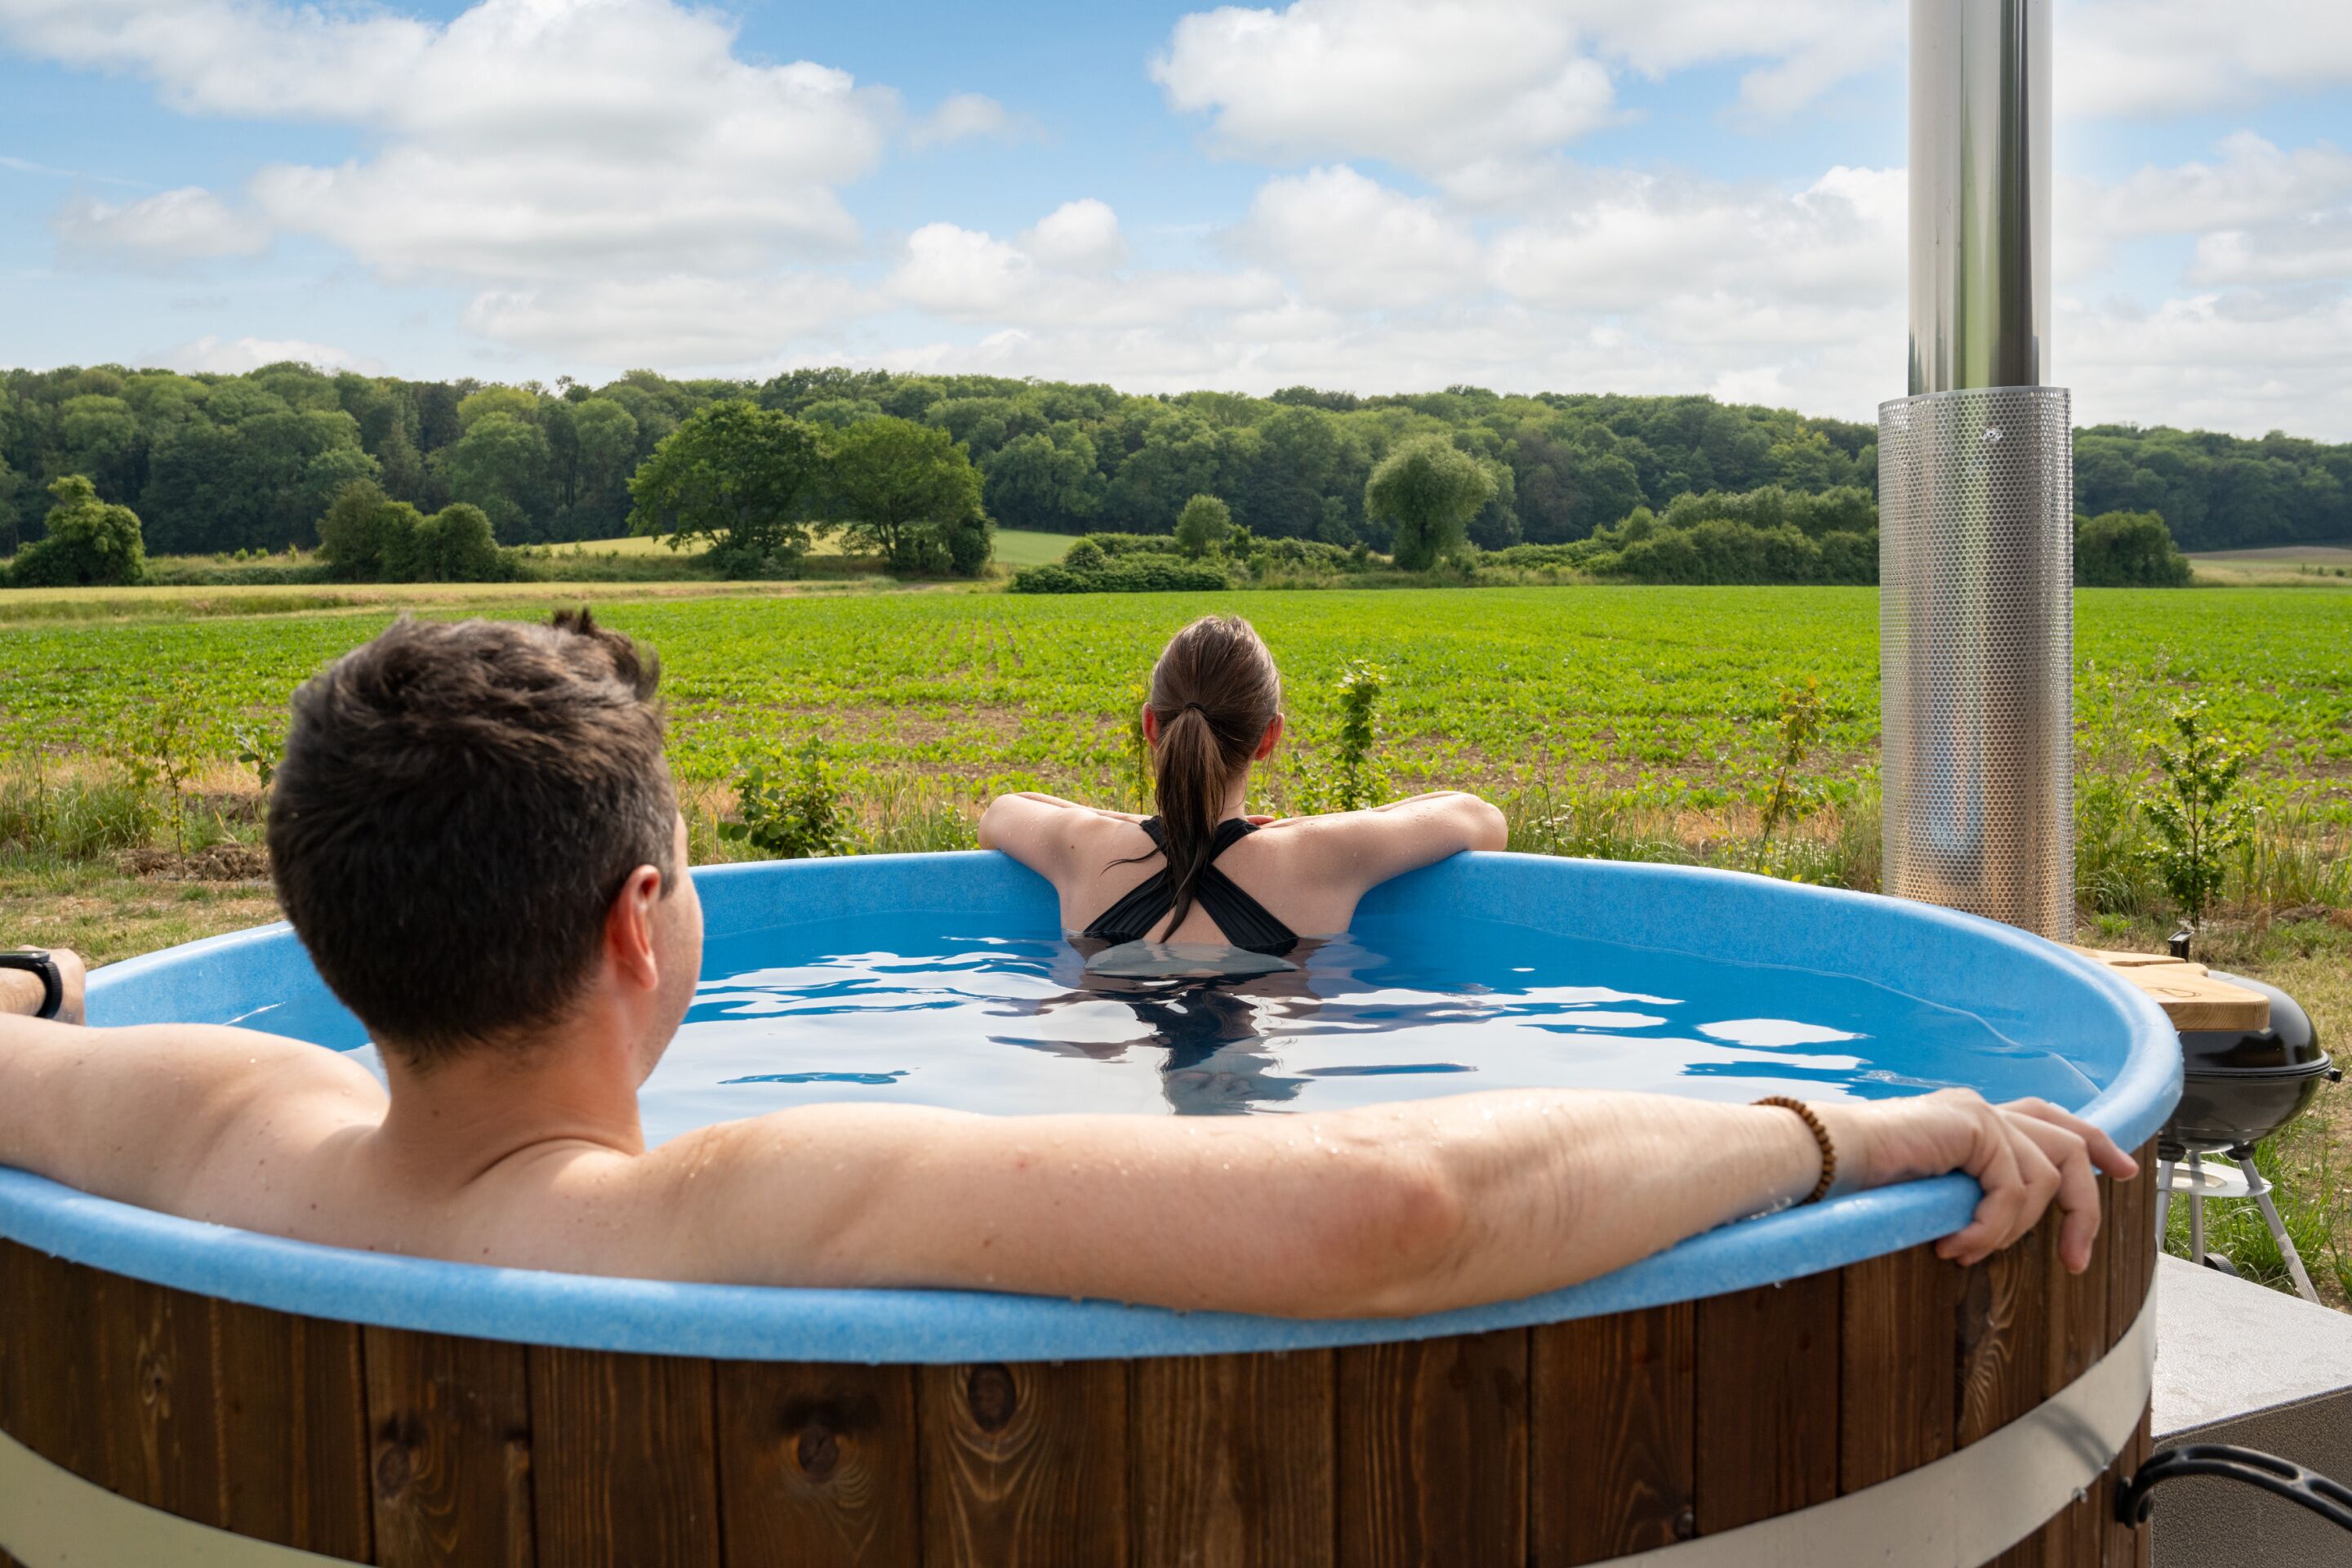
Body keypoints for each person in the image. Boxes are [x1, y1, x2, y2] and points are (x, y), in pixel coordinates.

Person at [0, 611, 2132, 1320]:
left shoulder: (201, 1113)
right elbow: (1395, 1203)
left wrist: (39, 998)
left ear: (311, 918)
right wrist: (1852, 1122)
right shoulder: (707, 1212)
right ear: (645, 925)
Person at [978, 615, 1507, 960]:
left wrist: (1130, 826)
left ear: (1150, 729)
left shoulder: (1082, 847)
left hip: (1118, 1101)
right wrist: (1306, 826)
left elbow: (1001, 813)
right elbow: (1483, 819)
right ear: (1269, 737)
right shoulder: (1323, 854)